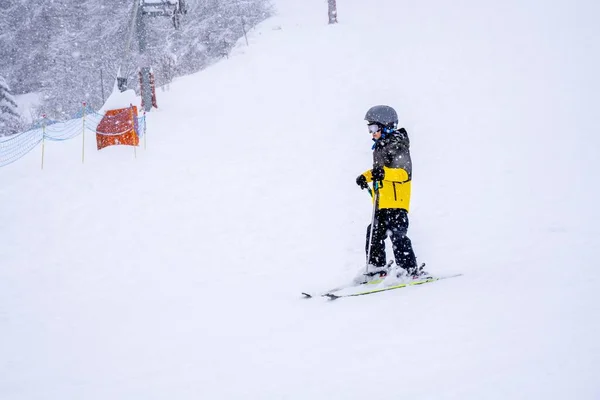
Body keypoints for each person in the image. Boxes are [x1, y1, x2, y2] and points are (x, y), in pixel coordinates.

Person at [355, 105, 425, 282]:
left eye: (373, 128)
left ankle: (409, 270)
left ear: (386, 126)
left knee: (397, 234)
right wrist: (366, 177)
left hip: (396, 200)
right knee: (374, 232)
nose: (371, 133)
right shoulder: (379, 146)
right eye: (369, 128)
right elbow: (379, 171)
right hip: (382, 200)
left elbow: (403, 173)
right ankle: (376, 268)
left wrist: (383, 173)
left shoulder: (398, 145)